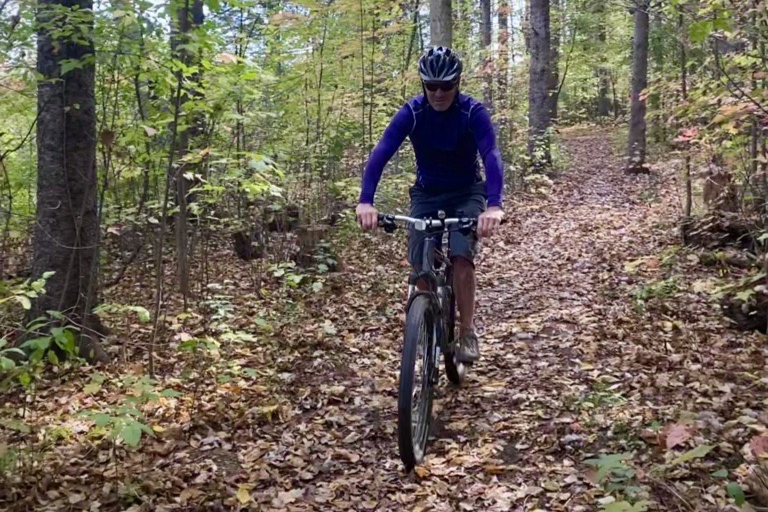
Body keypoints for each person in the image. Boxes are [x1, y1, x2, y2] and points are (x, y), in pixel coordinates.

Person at [355, 46, 505, 363]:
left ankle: (466, 332)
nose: (438, 93)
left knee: (462, 258)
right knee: (421, 263)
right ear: (423, 84)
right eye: (431, 85)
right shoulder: (412, 113)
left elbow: (491, 155)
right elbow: (381, 153)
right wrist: (365, 201)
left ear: (457, 83)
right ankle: (423, 323)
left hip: (466, 192)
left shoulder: (471, 112)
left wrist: (493, 205)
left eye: (446, 85)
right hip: (427, 193)